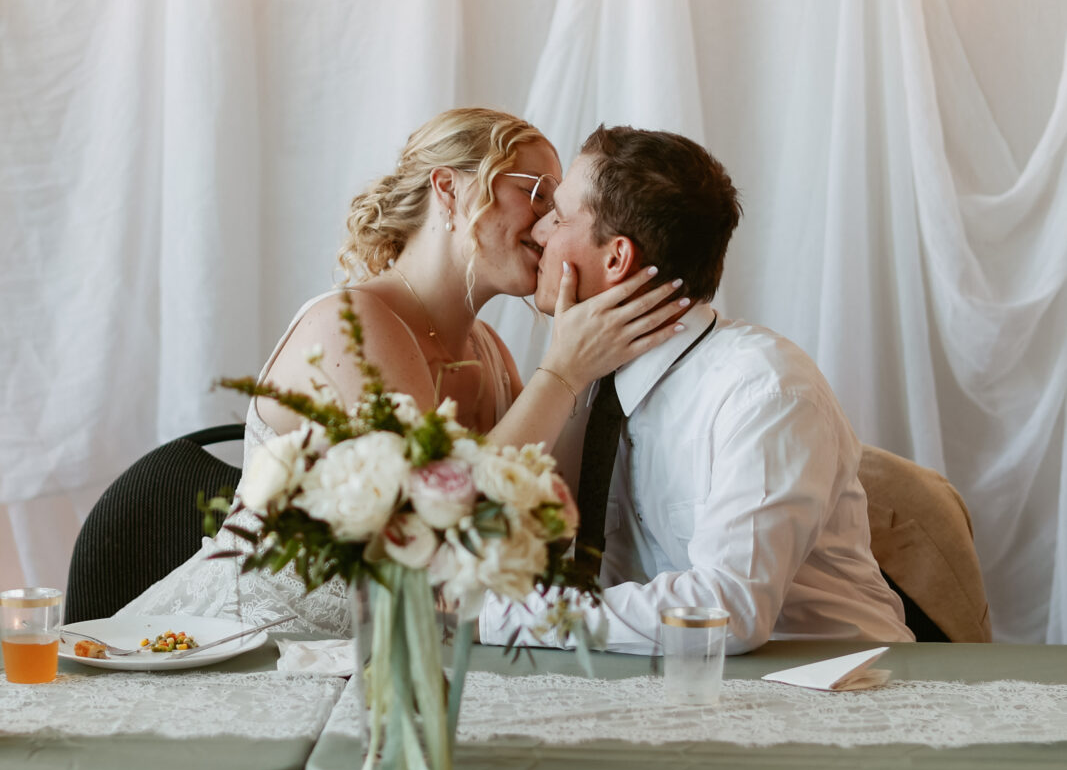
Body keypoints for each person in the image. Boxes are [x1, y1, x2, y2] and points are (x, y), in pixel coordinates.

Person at [110, 108, 687, 636]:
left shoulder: (491, 352)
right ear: (449, 188)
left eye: (557, 209)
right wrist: (563, 370)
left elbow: (527, 529)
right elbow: (435, 525)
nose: (544, 227)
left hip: (370, 667)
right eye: (537, 194)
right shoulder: (351, 322)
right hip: (220, 650)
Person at [480, 124, 912, 655]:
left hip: (829, 685)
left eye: (560, 216)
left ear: (616, 259)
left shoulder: (764, 392)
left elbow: (726, 612)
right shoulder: (583, 376)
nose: (539, 230)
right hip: (661, 686)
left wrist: (504, 616)